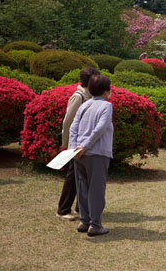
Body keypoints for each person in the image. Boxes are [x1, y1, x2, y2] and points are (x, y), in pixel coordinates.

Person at [70, 74, 114, 237]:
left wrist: (74, 148)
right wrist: (85, 146)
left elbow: (73, 128)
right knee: (96, 189)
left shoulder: (85, 105)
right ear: (106, 90)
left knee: (82, 187)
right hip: (97, 153)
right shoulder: (106, 106)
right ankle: (95, 225)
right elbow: (100, 129)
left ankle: (85, 220)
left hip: (79, 154)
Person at [56, 67, 100, 221]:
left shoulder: (89, 96)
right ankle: (63, 209)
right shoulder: (79, 96)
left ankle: (79, 207)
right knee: (73, 177)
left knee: (83, 177)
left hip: (85, 144)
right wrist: (69, 145)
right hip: (76, 145)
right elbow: (68, 123)